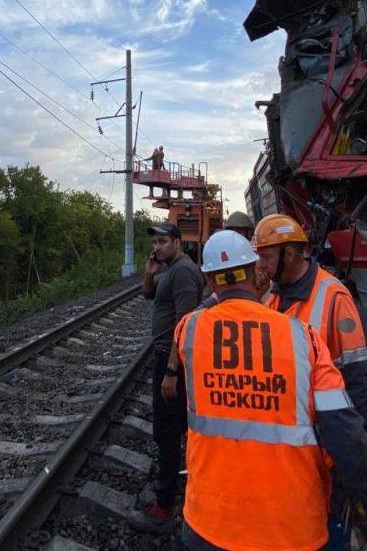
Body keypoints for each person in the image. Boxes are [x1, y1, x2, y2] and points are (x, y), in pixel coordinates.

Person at [161, 231, 367, 550]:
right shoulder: (305, 339)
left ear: (210, 283)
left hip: (209, 523)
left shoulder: (189, 330)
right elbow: (348, 436)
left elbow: (208, 310)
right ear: (257, 272)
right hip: (292, 529)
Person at [253, 214, 367, 445]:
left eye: (265, 257)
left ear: (289, 255)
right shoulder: (272, 294)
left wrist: (363, 445)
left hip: (322, 435)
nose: (260, 265)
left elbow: (358, 376)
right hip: (288, 435)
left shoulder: (333, 296)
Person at [139, 221, 205, 528]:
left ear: (177, 242)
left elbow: (186, 324)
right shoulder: (168, 268)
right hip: (165, 358)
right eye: (155, 242)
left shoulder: (183, 272)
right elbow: (148, 297)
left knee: (167, 432)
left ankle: (164, 506)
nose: (157, 247)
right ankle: (179, 483)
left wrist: (171, 371)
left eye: (163, 241)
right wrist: (149, 274)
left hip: (172, 362)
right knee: (169, 430)